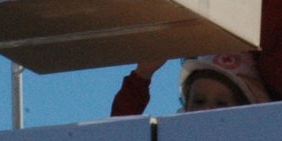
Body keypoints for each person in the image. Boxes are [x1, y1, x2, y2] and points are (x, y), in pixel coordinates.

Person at [110, 52, 269, 116]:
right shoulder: (175, 137)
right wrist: (142, 75)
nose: (207, 109)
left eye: (222, 103)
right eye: (199, 101)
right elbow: (119, 134)